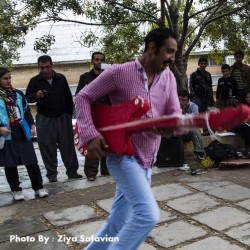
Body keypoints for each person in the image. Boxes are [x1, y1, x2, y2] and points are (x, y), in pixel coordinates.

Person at [75, 28, 182, 250]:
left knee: (117, 222)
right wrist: (90, 133)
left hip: (147, 162)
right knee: (147, 215)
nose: (172, 58)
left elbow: (174, 115)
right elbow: (83, 96)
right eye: (169, 51)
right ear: (152, 47)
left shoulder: (168, 77)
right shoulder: (120, 72)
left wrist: (172, 126)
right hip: (122, 156)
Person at [25, 55, 82, 182]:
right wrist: (36, 95)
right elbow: (27, 98)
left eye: (47, 67)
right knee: (47, 146)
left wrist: (69, 114)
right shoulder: (35, 81)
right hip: (45, 118)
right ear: (38, 67)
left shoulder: (61, 78)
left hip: (62, 117)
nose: (45, 70)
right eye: (42, 68)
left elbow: (68, 97)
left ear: (52, 65)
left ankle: (72, 171)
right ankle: (52, 174)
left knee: (67, 145)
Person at [0, 67, 48, 201]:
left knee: (31, 161)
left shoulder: (18, 94)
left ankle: (39, 188)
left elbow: (26, 111)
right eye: (5, 78)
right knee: (10, 164)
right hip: (6, 134)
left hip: (21, 131)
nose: (8, 81)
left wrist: (32, 125)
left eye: (10, 78)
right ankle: (16, 190)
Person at [75, 52, 110, 181]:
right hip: (92, 113)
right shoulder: (85, 77)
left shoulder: (109, 75)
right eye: (97, 59)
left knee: (107, 141)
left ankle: (107, 169)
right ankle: (91, 173)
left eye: (101, 59)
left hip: (107, 112)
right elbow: (79, 94)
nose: (99, 62)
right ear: (92, 61)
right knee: (93, 142)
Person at [178, 90, 205, 160]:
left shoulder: (194, 107)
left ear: (188, 101)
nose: (180, 102)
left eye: (183, 100)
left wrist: (184, 114)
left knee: (194, 129)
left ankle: (199, 152)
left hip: (188, 132)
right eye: (179, 99)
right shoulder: (174, 106)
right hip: (176, 132)